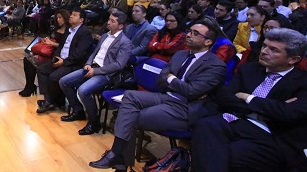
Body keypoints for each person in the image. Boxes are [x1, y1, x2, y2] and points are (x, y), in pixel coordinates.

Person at [89, 19, 227, 169]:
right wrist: (175, 82)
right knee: (130, 96)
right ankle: (117, 157)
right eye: (189, 31)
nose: (188, 35)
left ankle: (118, 161)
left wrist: (172, 78)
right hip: (166, 96)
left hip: (185, 107)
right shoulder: (180, 54)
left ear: (208, 42)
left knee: (130, 117)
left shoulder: (216, 65)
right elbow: (161, 79)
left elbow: (192, 92)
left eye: (195, 33)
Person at [192, 28, 307, 172]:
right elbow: (223, 95)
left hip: (274, 135)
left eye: (273, 50)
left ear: (293, 59)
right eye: (264, 46)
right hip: (241, 121)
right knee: (206, 124)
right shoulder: (250, 69)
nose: (264, 51)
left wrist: (247, 97)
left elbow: (290, 114)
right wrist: (267, 109)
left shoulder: (304, 82)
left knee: (219, 154)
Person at [58, 11, 132, 135]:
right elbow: (94, 53)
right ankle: (78, 111)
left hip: (106, 74)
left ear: (121, 26)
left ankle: (94, 122)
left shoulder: (125, 42)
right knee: (64, 81)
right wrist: (88, 63)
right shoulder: (104, 36)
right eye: (109, 19)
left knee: (83, 90)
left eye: (113, 21)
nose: (108, 22)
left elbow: (119, 65)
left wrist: (96, 71)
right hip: (91, 67)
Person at [36, 9, 93, 113]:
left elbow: (79, 54)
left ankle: (54, 101)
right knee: (41, 69)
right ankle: (48, 100)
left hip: (73, 64)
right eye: (71, 14)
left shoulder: (85, 33)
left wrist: (64, 62)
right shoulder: (69, 30)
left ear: (81, 20)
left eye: (74, 15)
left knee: (53, 76)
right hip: (61, 59)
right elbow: (61, 46)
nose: (71, 16)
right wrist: (57, 57)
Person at [19, 10, 70, 97]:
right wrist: (46, 40)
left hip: (56, 54)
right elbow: (51, 39)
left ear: (65, 18)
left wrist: (51, 43)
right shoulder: (57, 29)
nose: (58, 20)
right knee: (27, 59)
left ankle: (31, 87)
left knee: (30, 61)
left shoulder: (69, 31)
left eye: (60, 17)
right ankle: (29, 85)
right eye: (57, 17)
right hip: (48, 51)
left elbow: (65, 46)